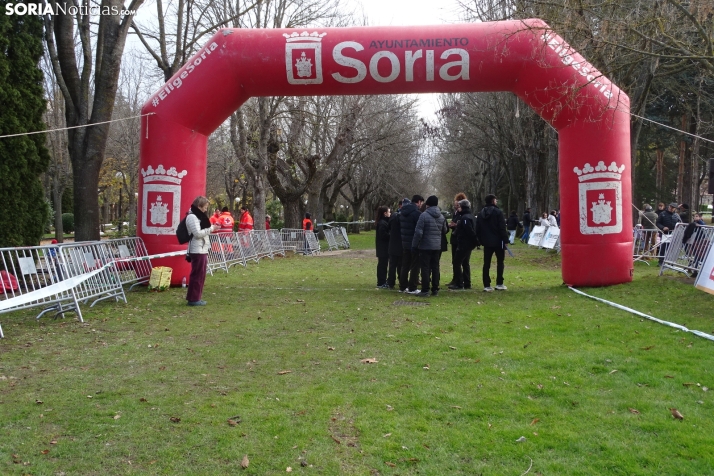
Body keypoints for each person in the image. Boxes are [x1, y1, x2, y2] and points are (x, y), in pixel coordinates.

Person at [186, 196, 221, 306]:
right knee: (197, 274)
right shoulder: (192, 217)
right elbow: (197, 234)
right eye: (205, 207)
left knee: (200, 274)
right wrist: (211, 229)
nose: (206, 209)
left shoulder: (197, 217)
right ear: (199, 206)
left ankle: (196, 297)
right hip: (197, 249)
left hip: (201, 248)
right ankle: (193, 298)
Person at [411, 195, 447, 297]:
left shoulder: (423, 216)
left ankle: (425, 289)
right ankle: (435, 289)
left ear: (427, 204)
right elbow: (444, 230)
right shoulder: (441, 216)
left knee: (425, 268)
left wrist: (414, 245)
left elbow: (418, 232)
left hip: (425, 245)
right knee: (435, 267)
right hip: (437, 246)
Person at [476, 194, 509, 292]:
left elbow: (478, 228)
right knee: (500, 262)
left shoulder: (481, 213)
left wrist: (480, 240)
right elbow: (502, 227)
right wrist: (505, 240)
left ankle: (486, 284)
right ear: (493, 201)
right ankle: (499, 283)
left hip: (486, 242)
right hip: (498, 241)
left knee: (486, 263)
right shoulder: (498, 212)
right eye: (495, 200)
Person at [449, 199, 476, 290]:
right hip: (468, 244)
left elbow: (469, 231)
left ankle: (459, 283)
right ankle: (467, 283)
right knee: (465, 263)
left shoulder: (465, 218)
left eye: (459, 207)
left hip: (464, 243)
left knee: (456, 262)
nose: (458, 208)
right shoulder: (470, 216)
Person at [399, 195, 424, 293]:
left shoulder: (402, 213)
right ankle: (412, 287)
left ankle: (402, 286)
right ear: (418, 202)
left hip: (405, 242)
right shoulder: (416, 214)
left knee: (405, 265)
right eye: (421, 203)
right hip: (414, 243)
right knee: (415, 265)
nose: (421, 205)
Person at [447, 192, 467, 286]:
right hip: (455, 238)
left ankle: (462, 280)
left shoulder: (463, 214)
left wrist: (456, 225)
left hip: (460, 239)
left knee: (462, 261)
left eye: (457, 204)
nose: (455, 205)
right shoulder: (455, 213)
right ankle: (456, 278)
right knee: (454, 260)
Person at [387, 201, 404, 289]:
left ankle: (391, 282)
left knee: (392, 265)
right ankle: (401, 280)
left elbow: (389, 227)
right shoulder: (403, 217)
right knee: (400, 265)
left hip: (393, 243)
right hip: (401, 244)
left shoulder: (393, 216)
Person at [375, 206, 391, 288]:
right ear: (385, 213)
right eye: (389, 212)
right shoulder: (382, 223)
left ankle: (382, 281)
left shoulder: (383, 222)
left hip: (383, 248)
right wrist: (391, 235)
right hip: (383, 248)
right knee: (382, 265)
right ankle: (381, 282)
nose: (390, 214)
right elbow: (383, 235)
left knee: (383, 265)